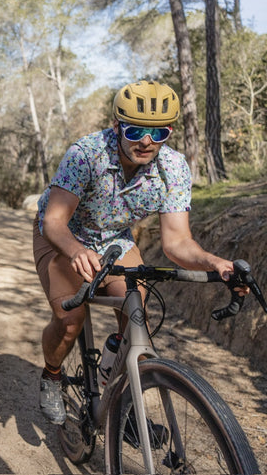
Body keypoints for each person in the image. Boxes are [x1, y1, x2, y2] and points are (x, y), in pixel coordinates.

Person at [33, 79, 249, 425]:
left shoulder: (174, 168)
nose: (146, 142)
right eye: (134, 131)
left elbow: (177, 242)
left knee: (137, 320)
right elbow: (54, 221)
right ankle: (52, 375)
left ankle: (116, 390)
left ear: (170, 131)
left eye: (158, 133)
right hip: (64, 235)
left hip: (115, 239)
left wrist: (215, 262)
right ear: (116, 125)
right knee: (71, 321)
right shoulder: (85, 154)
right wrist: (75, 251)